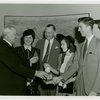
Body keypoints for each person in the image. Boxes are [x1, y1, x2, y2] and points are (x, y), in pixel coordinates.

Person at [0, 26, 48, 95]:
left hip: (19, 88)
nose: (16, 37)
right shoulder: (4, 48)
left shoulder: (6, 47)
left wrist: (29, 62)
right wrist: (35, 73)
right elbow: (15, 66)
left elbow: (17, 63)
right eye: (14, 34)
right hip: (11, 89)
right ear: (8, 35)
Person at [74, 17, 100, 96]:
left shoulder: (98, 44)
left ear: (88, 27)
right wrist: (62, 77)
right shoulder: (80, 46)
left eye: (80, 27)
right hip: (80, 86)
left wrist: (95, 90)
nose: (78, 30)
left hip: (92, 89)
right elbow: (76, 65)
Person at [35, 24, 60, 95]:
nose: (47, 34)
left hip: (53, 78)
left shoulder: (59, 44)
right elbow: (35, 58)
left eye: (49, 33)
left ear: (54, 33)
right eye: (46, 32)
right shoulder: (39, 43)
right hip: (41, 77)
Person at [15, 29, 40, 95]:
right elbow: (16, 66)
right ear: (23, 38)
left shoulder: (37, 50)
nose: (28, 39)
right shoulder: (17, 50)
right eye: (26, 37)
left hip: (34, 85)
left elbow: (38, 67)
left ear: (33, 39)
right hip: (20, 83)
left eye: (30, 37)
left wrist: (32, 79)